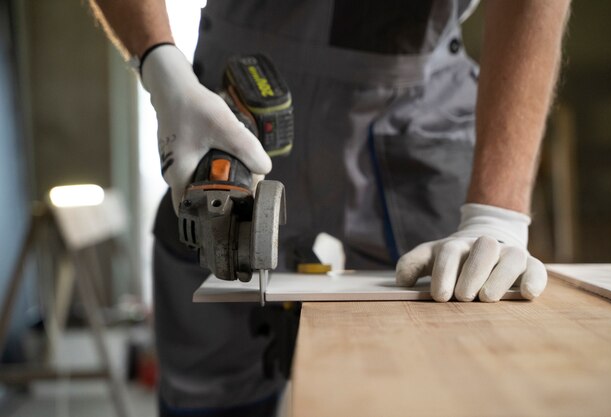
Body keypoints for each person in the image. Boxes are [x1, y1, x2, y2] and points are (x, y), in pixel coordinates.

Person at [89, 1, 571, 416]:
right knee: (207, 386)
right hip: (229, 110)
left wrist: (496, 212)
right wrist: (158, 64)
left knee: (438, 361)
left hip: (415, 116)